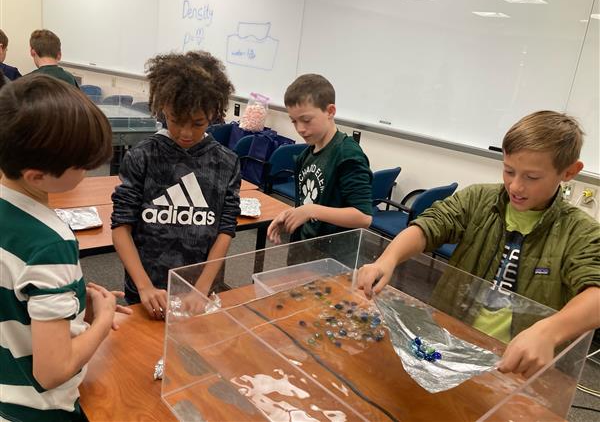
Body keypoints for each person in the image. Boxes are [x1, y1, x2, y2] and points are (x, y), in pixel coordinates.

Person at [357, 110, 600, 378]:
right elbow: (430, 225)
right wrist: (387, 259)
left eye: (532, 177)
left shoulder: (579, 231)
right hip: (453, 341)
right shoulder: (478, 199)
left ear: (569, 172)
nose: (515, 186)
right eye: (509, 171)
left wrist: (550, 330)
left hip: (518, 365)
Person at [0, 75, 131, 421]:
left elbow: (14, 297)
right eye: (82, 166)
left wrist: (71, 307)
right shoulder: (49, 241)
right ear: (36, 176)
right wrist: (101, 320)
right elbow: (52, 371)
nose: (89, 171)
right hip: (38, 411)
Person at [111, 51, 241, 319]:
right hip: (144, 291)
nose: (185, 133)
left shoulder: (226, 162)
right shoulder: (142, 156)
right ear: (162, 111)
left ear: (214, 115)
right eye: (175, 120)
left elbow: (225, 231)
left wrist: (202, 289)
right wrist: (144, 286)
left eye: (197, 123)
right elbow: (121, 227)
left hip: (198, 292)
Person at [267, 74, 373, 244]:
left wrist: (310, 211)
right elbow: (309, 203)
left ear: (330, 111)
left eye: (306, 120)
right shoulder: (305, 156)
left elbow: (363, 217)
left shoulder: (347, 154)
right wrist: (292, 215)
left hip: (335, 256)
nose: (300, 129)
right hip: (305, 248)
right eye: (294, 121)